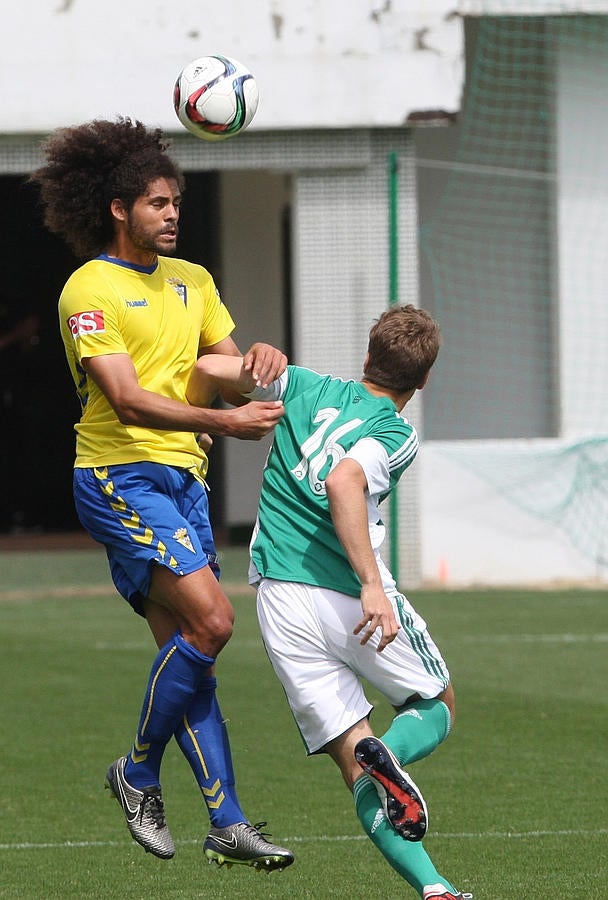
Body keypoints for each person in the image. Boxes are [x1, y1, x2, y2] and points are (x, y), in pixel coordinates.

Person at [29, 116, 294, 872]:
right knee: (214, 620)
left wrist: (255, 364)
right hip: (118, 478)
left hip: (184, 482)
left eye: (175, 201)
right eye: (156, 203)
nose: (172, 212)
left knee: (192, 652)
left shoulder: (195, 281)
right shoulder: (90, 286)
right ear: (119, 209)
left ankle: (228, 821)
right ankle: (138, 772)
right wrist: (225, 418)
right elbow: (128, 399)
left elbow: (222, 363)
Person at [187, 304, 473, 899]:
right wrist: (372, 584)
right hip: (346, 593)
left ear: (367, 357)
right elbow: (345, 480)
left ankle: (435, 889)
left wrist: (249, 368)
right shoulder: (395, 433)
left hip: (278, 599)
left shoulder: (304, 383)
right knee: (436, 701)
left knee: (353, 765)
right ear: (424, 381)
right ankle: (389, 756)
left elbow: (204, 366)